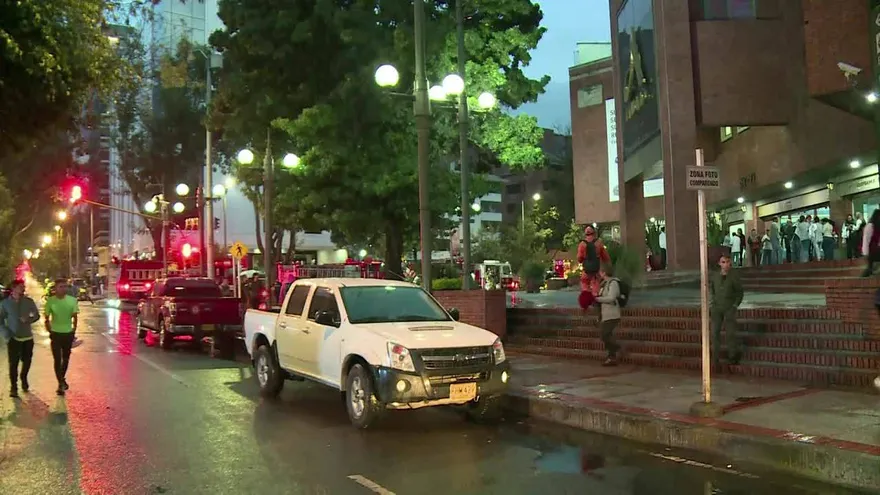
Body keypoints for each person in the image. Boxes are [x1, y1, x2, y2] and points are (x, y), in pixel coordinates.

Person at [0, 280, 40, 398]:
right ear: (13, 288)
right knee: (13, 363)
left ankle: (24, 377)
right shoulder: (5, 303)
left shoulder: (28, 301)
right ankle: (14, 387)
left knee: (27, 361)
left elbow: (36, 315)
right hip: (13, 337)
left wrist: (28, 319)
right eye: (20, 287)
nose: (23, 289)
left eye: (23, 287)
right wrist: (6, 334)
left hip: (27, 337)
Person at [44, 278, 79, 396]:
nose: (64, 289)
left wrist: (73, 331)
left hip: (68, 333)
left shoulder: (72, 300)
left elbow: (75, 317)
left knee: (66, 358)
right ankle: (60, 383)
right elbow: (46, 318)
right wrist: (50, 331)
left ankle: (61, 379)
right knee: (57, 359)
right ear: (55, 288)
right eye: (61, 287)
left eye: (65, 286)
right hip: (55, 333)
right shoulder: (50, 301)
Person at [710, 254, 744, 366]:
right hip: (717, 308)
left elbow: (739, 292)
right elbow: (712, 289)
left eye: (727, 262)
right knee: (715, 332)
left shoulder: (734, 276)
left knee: (730, 333)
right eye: (723, 262)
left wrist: (735, 305)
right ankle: (715, 357)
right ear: (719, 264)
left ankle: (732, 355)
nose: (725, 265)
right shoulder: (715, 276)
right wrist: (713, 301)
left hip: (729, 307)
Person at [594, 264, 621, 367]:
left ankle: (616, 348)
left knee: (605, 334)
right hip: (605, 314)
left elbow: (611, 298)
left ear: (604, 272)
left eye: (601, 271)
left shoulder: (613, 283)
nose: (599, 273)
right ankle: (611, 357)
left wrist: (598, 299)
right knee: (606, 335)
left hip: (612, 314)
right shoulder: (604, 284)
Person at [577, 225, 610, 296]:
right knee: (596, 284)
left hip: (586, 270)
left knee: (584, 283)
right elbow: (605, 257)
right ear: (594, 232)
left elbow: (579, 258)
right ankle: (595, 297)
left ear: (585, 233)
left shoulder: (582, 244)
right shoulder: (599, 243)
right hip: (596, 269)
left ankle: (587, 296)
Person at [861, 209, 880, 277]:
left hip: (877, 250)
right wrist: (865, 253)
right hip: (872, 250)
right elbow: (866, 240)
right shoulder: (870, 226)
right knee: (871, 267)